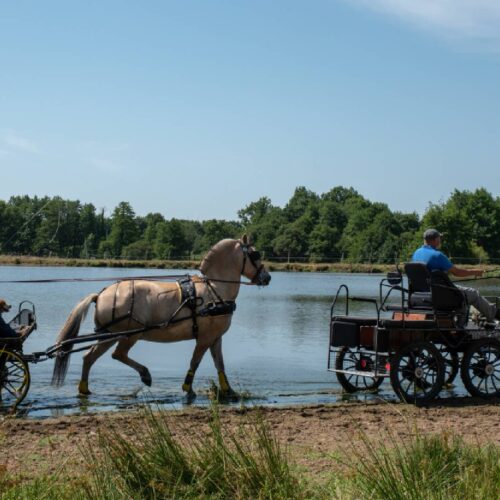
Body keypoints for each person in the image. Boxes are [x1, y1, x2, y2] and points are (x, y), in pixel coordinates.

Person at [412, 229, 500, 324]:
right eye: (439, 238)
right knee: (474, 294)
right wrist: (476, 272)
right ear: (435, 240)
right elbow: (457, 272)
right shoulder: (437, 255)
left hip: (422, 294)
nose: (440, 240)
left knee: (465, 296)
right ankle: (493, 315)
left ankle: (458, 326)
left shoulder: (416, 253)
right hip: (441, 294)